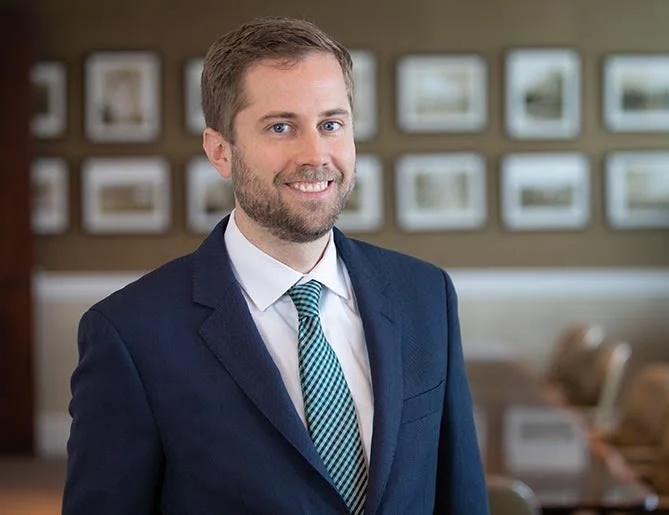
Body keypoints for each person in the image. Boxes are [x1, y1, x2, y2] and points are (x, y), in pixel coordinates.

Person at [62, 16, 489, 515]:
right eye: (280, 127)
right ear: (221, 152)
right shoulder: (130, 334)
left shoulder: (426, 295)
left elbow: (460, 496)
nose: (315, 154)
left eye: (331, 124)